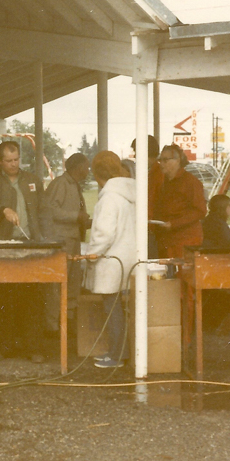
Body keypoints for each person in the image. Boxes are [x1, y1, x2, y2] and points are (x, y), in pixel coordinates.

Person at [0, 141, 46, 363]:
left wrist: (44, 238)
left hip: (31, 246)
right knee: (2, 299)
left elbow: (43, 210)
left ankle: (34, 347)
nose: (14, 164)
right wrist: (2, 210)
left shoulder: (33, 180)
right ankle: (2, 346)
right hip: (3, 248)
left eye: (16, 159)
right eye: (8, 161)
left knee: (33, 298)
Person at [82, 151, 136, 369]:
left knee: (112, 308)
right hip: (130, 257)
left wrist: (91, 255)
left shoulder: (109, 198)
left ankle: (117, 355)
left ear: (97, 175)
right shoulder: (130, 192)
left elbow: (104, 234)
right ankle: (124, 353)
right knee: (124, 309)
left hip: (112, 259)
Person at [42, 152, 91, 333]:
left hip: (73, 240)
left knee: (72, 282)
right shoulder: (60, 184)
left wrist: (84, 221)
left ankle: (67, 322)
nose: (88, 170)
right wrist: (75, 216)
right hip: (61, 242)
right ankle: (52, 325)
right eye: (86, 166)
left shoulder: (74, 185)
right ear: (77, 167)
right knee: (57, 284)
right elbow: (50, 210)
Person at [152, 143, 207, 258]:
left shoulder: (191, 182)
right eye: (160, 160)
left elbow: (200, 211)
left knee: (182, 274)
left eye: (165, 160)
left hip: (185, 241)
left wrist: (174, 224)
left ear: (178, 161)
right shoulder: (164, 183)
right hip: (167, 240)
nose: (161, 164)